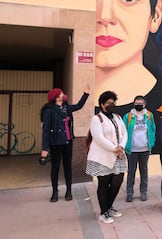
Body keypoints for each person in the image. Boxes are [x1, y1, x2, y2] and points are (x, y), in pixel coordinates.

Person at [40, 85, 90, 202]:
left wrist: (85, 94)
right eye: (61, 94)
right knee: (55, 168)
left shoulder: (66, 108)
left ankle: (68, 191)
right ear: (57, 97)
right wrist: (44, 148)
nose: (64, 95)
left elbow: (78, 106)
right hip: (55, 143)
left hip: (68, 141)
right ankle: (55, 192)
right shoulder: (49, 111)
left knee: (68, 167)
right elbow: (46, 131)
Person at [86, 91, 127, 224]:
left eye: (113, 102)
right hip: (102, 157)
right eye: (109, 103)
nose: (112, 105)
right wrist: (114, 148)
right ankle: (104, 212)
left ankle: (109, 207)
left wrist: (121, 146)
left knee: (117, 182)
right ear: (102, 104)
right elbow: (99, 138)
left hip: (118, 156)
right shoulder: (96, 119)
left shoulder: (117, 117)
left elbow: (124, 133)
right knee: (104, 184)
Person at [123, 95, 156, 202]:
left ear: (144, 104)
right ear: (134, 104)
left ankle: (143, 192)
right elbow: (123, 132)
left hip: (145, 149)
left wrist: (152, 142)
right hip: (132, 149)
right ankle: (129, 193)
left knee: (144, 171)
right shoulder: (128, 116)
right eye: (136, 104)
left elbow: (153, 129)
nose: (138, 105)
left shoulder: (149, 115)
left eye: (140, 104)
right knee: (131, 171)